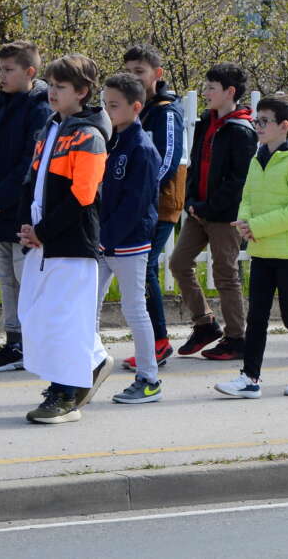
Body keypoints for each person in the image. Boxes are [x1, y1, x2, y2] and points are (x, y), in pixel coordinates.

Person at [16, 54, 114, 423]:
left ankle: (65, 394)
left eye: (61, 87)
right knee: (37, 315)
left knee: (63, 320)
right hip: (43, 242)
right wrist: (26, 226)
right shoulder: (51, 127)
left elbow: (82, 196)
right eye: (51, 85)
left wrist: (42, 230)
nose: (52, 92)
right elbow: (32, 182)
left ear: (82, 92)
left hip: (71, 243)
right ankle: (92, 361)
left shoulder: (88, 136)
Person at [216, 93, 288, 398]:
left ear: (284, 126)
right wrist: (245, 222)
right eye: (256, 121)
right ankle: (250, 377)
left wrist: (258, 226)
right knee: (257, 316)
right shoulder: (257, 157)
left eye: (264, 122)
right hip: (262, 250)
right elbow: (247, 196)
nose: (258, 127)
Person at [0, 41, 51, 372]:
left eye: (8, 70)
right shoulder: (1, 105)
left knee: (25, 277)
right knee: (6, 278)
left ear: (29, 72)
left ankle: (35, 343)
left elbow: (29, 163)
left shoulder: (40, 109)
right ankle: (13, 341)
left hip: (19, 211)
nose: (1, 76)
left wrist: (0, 200)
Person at [170, 63, 256, 360]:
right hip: (198, 211)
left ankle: (236, 337)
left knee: (225, 274)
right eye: (205, 86)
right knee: (179, 263)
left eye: (211, 88)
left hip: (224, 216)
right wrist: (192, 200)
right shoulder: (207, 120)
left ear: (229, 92)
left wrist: (209, 207)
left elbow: (237, 182)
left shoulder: (242, 131)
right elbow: (195, 161)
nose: (205, 93)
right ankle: (205, 324)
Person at [95, 73, 163, 403]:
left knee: (134, 310)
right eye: (105, 104)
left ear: (135, 107)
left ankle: (149, 379)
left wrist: (106, 238)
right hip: (103, 241)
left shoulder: (142, 148)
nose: (107, 111)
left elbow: (136, 205)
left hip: (130, 242)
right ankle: (85, 372)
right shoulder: (112, 141)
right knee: (86, 308)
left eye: (114, 105)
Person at [121, 44, 185, 371]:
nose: (134, 77)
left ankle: (159, 342)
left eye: (139, 72)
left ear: (156, 75)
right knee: (138, 269)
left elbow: (168, 161)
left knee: (144, 268)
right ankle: (156, 340)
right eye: (128, 71)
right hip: (135, 203)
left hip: (159, 204)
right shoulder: (135, 109)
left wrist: (142, 194)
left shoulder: (166, 111)